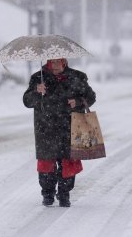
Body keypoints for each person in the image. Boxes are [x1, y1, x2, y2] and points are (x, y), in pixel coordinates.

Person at [23, 58, 96, 207]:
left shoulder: (77, 77)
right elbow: (27, 101)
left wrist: (78, 101)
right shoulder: (38, 77)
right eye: (51, 62)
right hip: (45, 128)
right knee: (46, 163)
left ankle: (64, 194)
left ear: (64, 62)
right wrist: (37, 91)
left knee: (68, 162)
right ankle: (47, 193)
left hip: (69, 127)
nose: (54, 66)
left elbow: (91, 97)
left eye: (58, 62)